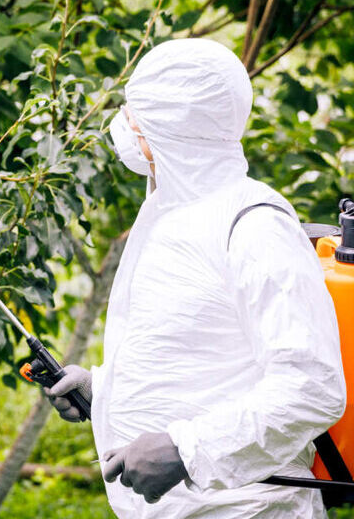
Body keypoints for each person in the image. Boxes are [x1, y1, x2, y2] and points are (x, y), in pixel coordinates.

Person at [45, 38, 346, 517]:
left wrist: (187, 450)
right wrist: (103, 390)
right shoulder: (167, 214)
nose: (126, 129)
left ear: (171, 130)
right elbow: (196, 356)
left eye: (137, 117)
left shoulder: (253, 225)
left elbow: (311, 387)